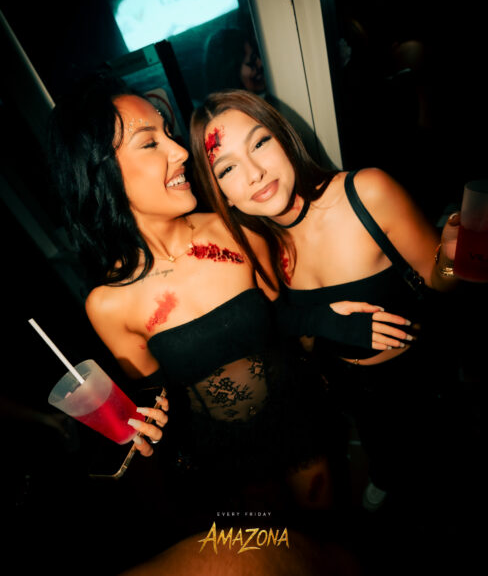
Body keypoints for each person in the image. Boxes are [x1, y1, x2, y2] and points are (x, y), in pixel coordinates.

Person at [46, 74, 414, 533]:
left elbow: (279, 317)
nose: (181, 151)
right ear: (102, 176)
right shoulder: (108, 304)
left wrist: (325, 320)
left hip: (296, 425)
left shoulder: (233, 230)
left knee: (328, 536)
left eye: (168, 132)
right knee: (271, 551)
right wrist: (143, 428)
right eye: (150, 143)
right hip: (222, 461)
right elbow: (155, 400)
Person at [189, 88, 460, 512]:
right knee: (379, 448)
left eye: (259, 143)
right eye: (227, 168)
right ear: (221, 193)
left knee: (438, 476)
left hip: (416, 382)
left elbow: (440, 280)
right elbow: (271, 318)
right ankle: (383, 474)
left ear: (284, 138)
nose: (255, 173)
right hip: (346, 385)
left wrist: (455, 259)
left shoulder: (366, 193)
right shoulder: (256, 245)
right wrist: (322, 320)